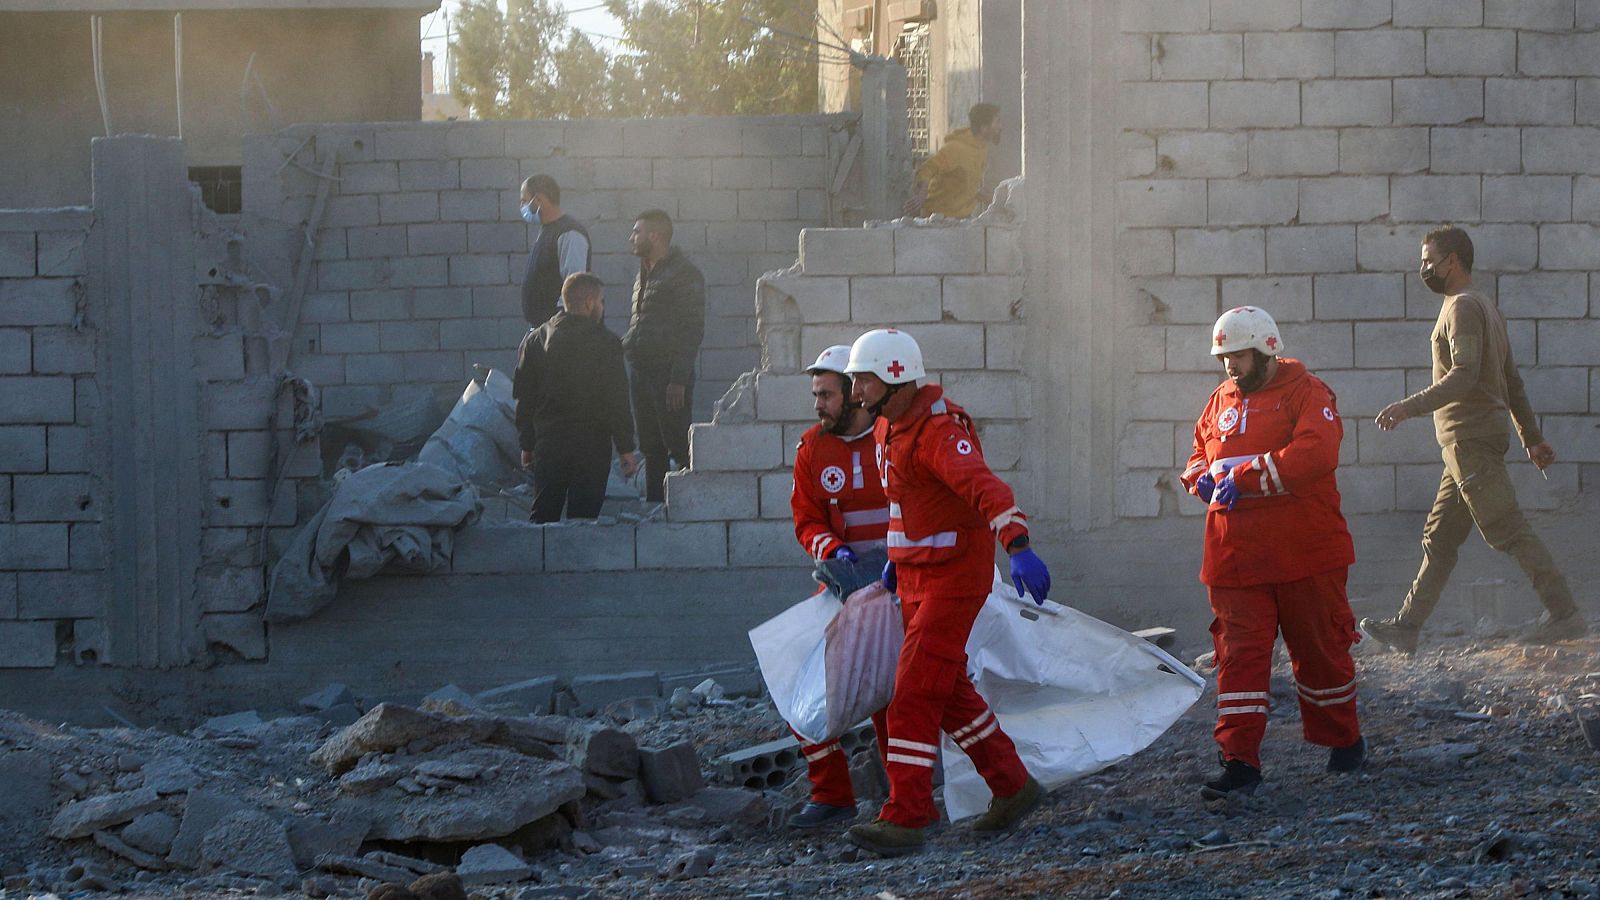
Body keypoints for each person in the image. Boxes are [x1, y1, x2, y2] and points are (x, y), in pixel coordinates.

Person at [842, 328, 1050, 856]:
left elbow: (986, 488)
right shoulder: (892, 426)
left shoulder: (937, 432)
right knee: (949, 692)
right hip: (916, 577)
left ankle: (907, 816)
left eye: (863, 381)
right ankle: (1012, 785)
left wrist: (1018, 543)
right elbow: (907, 506)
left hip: (952, 579)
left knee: (910, 694)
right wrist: (896, 561)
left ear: (894, 378)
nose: (856, 392)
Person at [1364, 225, 1586, 652]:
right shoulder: (1484, 305)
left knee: (1507, 529)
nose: (1423, 267)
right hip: (1462, 446)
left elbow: (1464, 376)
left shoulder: (1463, 307)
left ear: (1453, 260)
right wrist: (1532, 438)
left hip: (1469, 440)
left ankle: (1564, 614)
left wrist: (1407, 407)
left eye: (1429, 259)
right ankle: (1407, 627)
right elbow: (1511, 380)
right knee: (1440, 538)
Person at [1178, 306, 1365, 799]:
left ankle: (1344, 742)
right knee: (1238, 658)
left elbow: (1316, 454)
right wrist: (1199, 478)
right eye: (1223, 358)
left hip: (1305, 552)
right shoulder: (1220, 400)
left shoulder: (1308, 393)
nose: (1229, 368)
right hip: (1235, 556)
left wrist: (1245, 478)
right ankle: (1239, 763)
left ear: (1267, 350)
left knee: (1321, 650)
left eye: (1237, 357)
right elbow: (1200, 452)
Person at [786, 345, 893, 829]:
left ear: (854, 393)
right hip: (842, 584)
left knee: (890, 690)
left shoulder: (894, 437)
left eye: (826, 395)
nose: (817, 405)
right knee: (800, 682)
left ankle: (905, 798)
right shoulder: (811, 448)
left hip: (899, 581)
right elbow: (805, 519)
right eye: (815, 395)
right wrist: (829, 548)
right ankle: (831, 795)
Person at [513, 273, 638, 523]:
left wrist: (527, 444)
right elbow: (617, 399)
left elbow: (524, 398)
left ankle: (543, 562)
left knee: (543, 519)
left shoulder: (536, 340)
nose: (603, 308)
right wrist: (625, 448)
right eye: (601, 301)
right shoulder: (607, 343)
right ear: (589, 303)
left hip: (550, 446)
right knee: (584, 523)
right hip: (591, 448)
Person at [622, 209, 705, 504]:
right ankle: (656, 507)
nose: (632, 237)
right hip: (642, 373)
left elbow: (692, 329)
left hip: (668, 377)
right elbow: (642, 322)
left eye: (637, 232)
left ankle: (693, 507)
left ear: (655, 236)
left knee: (678, 445)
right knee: (651, 446)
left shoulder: (684, 274)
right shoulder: (644, 270)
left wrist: (678, 379)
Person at [905, 102, 1003, 219]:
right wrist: (921, 196)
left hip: (961, 218)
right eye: (997, 122)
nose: (1000, 127)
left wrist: (1000, 203)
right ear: (984, 128)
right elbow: (927, 168)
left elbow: (970, 187)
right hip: (938, 218)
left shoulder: (981, 148)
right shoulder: (955, 149)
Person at [518, 174, 591, 328]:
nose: (522, 207)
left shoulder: (569, 234)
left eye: (524, 201)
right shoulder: (547, 231)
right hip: (542, 331)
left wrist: (557, 329)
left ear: (538, 200)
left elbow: (573, 287)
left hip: (558, 333)